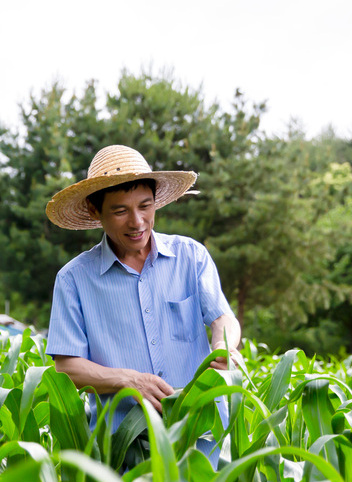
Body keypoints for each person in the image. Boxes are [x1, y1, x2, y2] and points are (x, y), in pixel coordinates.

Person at [44, 144, 241, 463]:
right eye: (120, 211)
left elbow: (223, 319)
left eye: (145, 206)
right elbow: (67, 368)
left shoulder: (190, 257)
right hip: (123, 451)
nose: (137, 222)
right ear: (96, 212)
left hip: (201, 443)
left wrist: (225, 346)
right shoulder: (74, 279)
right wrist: (129, 380)